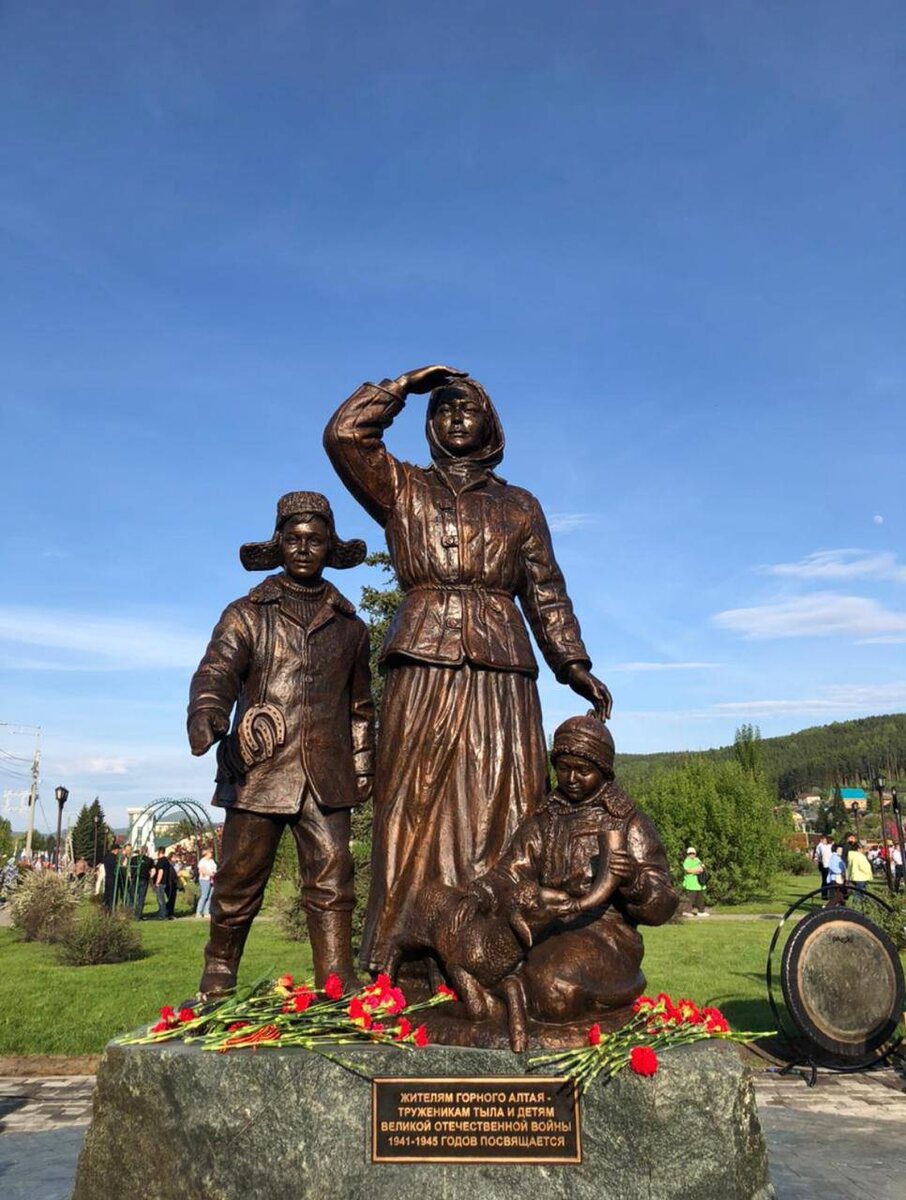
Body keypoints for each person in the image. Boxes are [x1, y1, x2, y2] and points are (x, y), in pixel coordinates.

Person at [325, 365, 612, 975]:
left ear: (490, 424)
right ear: (430, 422)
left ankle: (498, 948)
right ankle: (404, 951)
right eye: (444, 408)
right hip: (423, 660)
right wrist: (405, 385)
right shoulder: (401, 487)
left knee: (504, 798)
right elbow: (345, 436)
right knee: (411, 801)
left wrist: (572, 662)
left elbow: (546, 590)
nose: (456, 416)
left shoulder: (519, 505)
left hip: (501, 667)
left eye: (468, 408)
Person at [188, 491, 374, 995]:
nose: (304, 549)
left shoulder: (352, 628)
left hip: (326, 778)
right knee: (238, 878)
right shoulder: (246, 613)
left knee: (333, 880)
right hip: (260, 770)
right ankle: (218, 975)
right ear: (279, 543)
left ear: (330, 546)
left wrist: (363, 769)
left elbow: (360, 708)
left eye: (315, 540)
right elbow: (217, 672)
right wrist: (207, 714)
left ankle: (336, 981)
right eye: (293, 539)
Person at [444, 715, 678, 1028]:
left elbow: (663, 904)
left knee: (552, 987)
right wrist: (481, 893)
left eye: (583, 770)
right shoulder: (546, 819)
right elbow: (512, 871)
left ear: (603, 772)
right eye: (563, 768)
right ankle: (496, 1003)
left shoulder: (628, 822)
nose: (571, 778)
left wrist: (635, 880)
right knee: (473, 951)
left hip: (604, 935)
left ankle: (538, 1002)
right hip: (544, 921)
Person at [846, 841, 872, 908]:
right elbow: (863, 867)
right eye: (862, 848)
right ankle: (858, 907)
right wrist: (869, 872)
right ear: (858, 849)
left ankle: (855, 906)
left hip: (854, 876)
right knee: (859, 894)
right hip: (861, 877)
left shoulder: (851, 856)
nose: (863, 849)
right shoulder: (860, 856)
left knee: (856, 893)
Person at [132, 845, 154, 920]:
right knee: (141, 898)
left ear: (140, 850)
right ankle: (138, 915)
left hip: (134, 879)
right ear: (146, 851)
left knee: (132, 896)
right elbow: (152, 870)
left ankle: (130, 913)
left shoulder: (133, 859)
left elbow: (129, 869)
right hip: (144, 879)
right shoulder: (149, 860)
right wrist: (150, 878)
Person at [151, 847, 173, 920]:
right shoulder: (166, 860)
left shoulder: (161, 861)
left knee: (160, 899)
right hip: (165, 881)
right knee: (161, 898)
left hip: (160, 882)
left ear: (159, 852)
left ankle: (162, 915)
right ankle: (163, 913)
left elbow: (161, 871)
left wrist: (157, 882)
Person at [195, 848, 217, 918]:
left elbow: (214, 869)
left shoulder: (212, 861)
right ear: (207, 853)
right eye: (210, 852)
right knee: (204, 896)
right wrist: (210, 874)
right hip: (205, 880)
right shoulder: (202, 861)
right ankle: (198, 912)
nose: (211, 854)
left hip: (212, 880)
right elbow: (202, 870)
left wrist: (214, 874)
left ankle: (206, 912)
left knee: (210, 896)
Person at [825, 842, 846, 906]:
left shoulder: (839, 857)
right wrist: (841, 872)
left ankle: (840, 906)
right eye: (839, 850)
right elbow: (832, 867)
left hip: (839, 878)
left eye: (842, 850)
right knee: (837, 895)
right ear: (835, 850)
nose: (841, 851)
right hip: (835, 879)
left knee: (839, 895)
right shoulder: (834, 857)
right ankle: (829, 907)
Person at [813, 834, 832, 899]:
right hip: (824, 864)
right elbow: (822, 855)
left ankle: (826, 894)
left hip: (825, 863)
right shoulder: (820, 846)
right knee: (825, 880)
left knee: (826, 880)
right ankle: (824, 894)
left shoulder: (824, 846)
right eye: (825, 840)